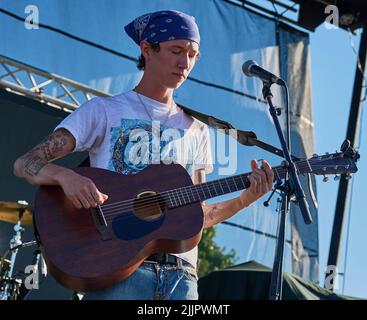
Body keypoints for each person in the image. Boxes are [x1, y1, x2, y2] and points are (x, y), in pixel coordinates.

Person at [13, 10, 274, 300]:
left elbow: (197, 214)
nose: (184, 62)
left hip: (181, 278)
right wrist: (65, 176)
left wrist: (243, 200)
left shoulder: (197, 129)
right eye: (176, 51)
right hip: (117, 273)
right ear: (147, 49)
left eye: (192, 55)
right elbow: (25, 164)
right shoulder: (103, 111)